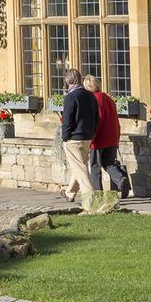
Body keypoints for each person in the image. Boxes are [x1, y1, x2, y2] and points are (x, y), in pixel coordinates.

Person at [85, 74, 131, 199]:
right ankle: (121, 179)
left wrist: (91, 137)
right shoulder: (108, 98)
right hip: (112, 136)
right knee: (109, 164)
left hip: (99, 138)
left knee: (95, 167)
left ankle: (98, 196)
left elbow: (98, 119)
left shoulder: (95, 99)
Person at [60, 68, 98, 203]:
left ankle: (90, 200)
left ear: (68, 81)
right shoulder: (90, 96)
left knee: (80, 169)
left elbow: (67, 120)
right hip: (87, 137)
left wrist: (65, 137)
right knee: (80, 166)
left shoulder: (71, 97)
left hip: (74, 139)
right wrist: (92, 133)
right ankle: (70, 192)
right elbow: (96, 118)